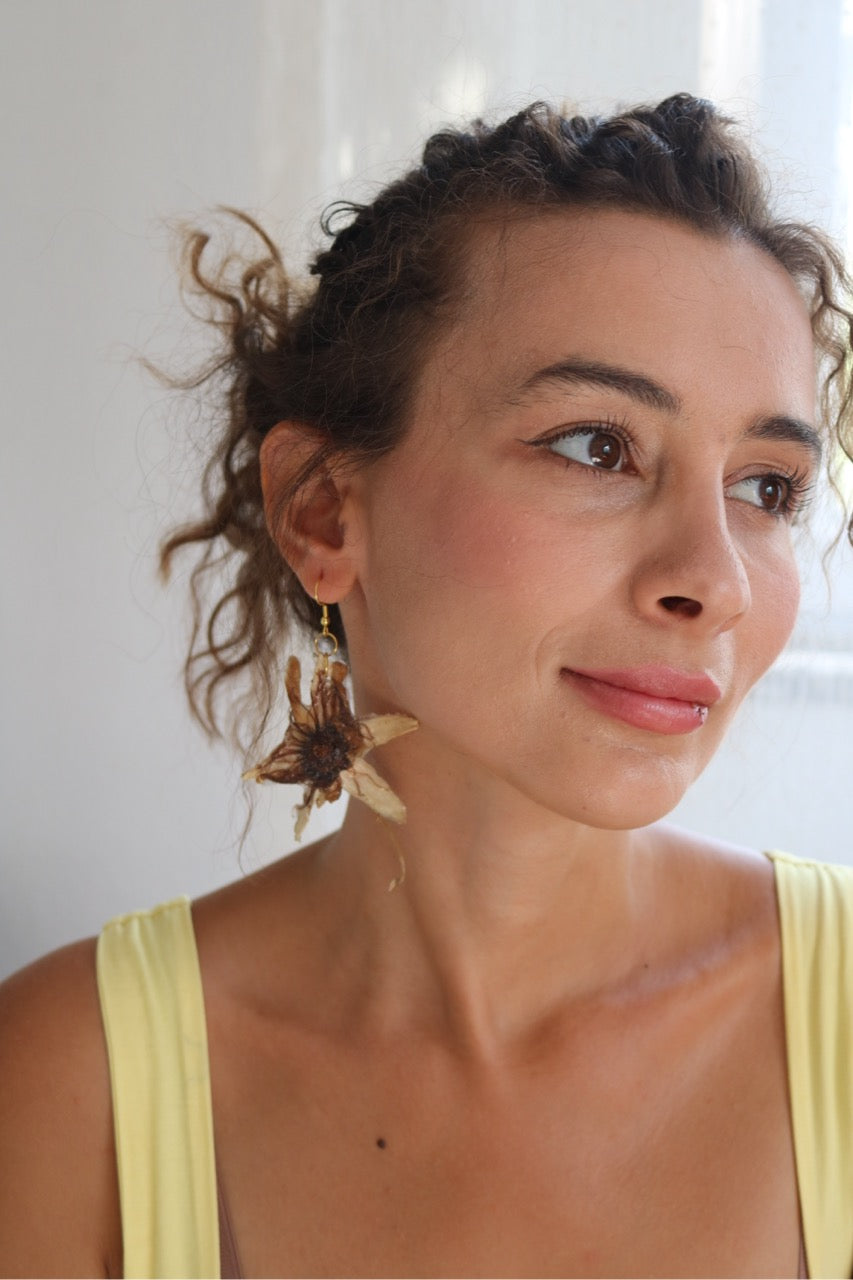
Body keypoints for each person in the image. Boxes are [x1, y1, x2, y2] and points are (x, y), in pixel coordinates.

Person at [1, 92, 852, 1279]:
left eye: (765, 487)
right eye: (596, 445)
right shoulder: (62, 1083)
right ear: (322, 510)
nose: (713, 580)